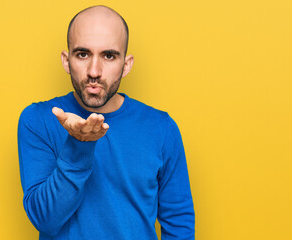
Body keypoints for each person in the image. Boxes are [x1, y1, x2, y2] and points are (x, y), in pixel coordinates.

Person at [18, 5, 195, 240]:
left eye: (109, 56)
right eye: (83, 54)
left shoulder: (161, 128)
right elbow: (45, 220)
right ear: (66, 60)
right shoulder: (38, 120)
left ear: (126, 64)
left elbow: (179, 222)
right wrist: (79, 145)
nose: (94, 71)